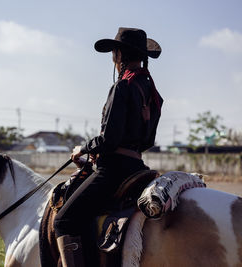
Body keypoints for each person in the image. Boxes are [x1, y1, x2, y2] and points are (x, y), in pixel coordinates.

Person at [53, 27, 163, 267]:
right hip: (137, 167)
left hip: (113, 170)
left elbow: (110, 140)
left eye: (114, 53)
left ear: (119, 56)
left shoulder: (121, 88)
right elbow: (148, 142)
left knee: (63, 221)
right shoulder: (153, 95)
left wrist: (83, 148)